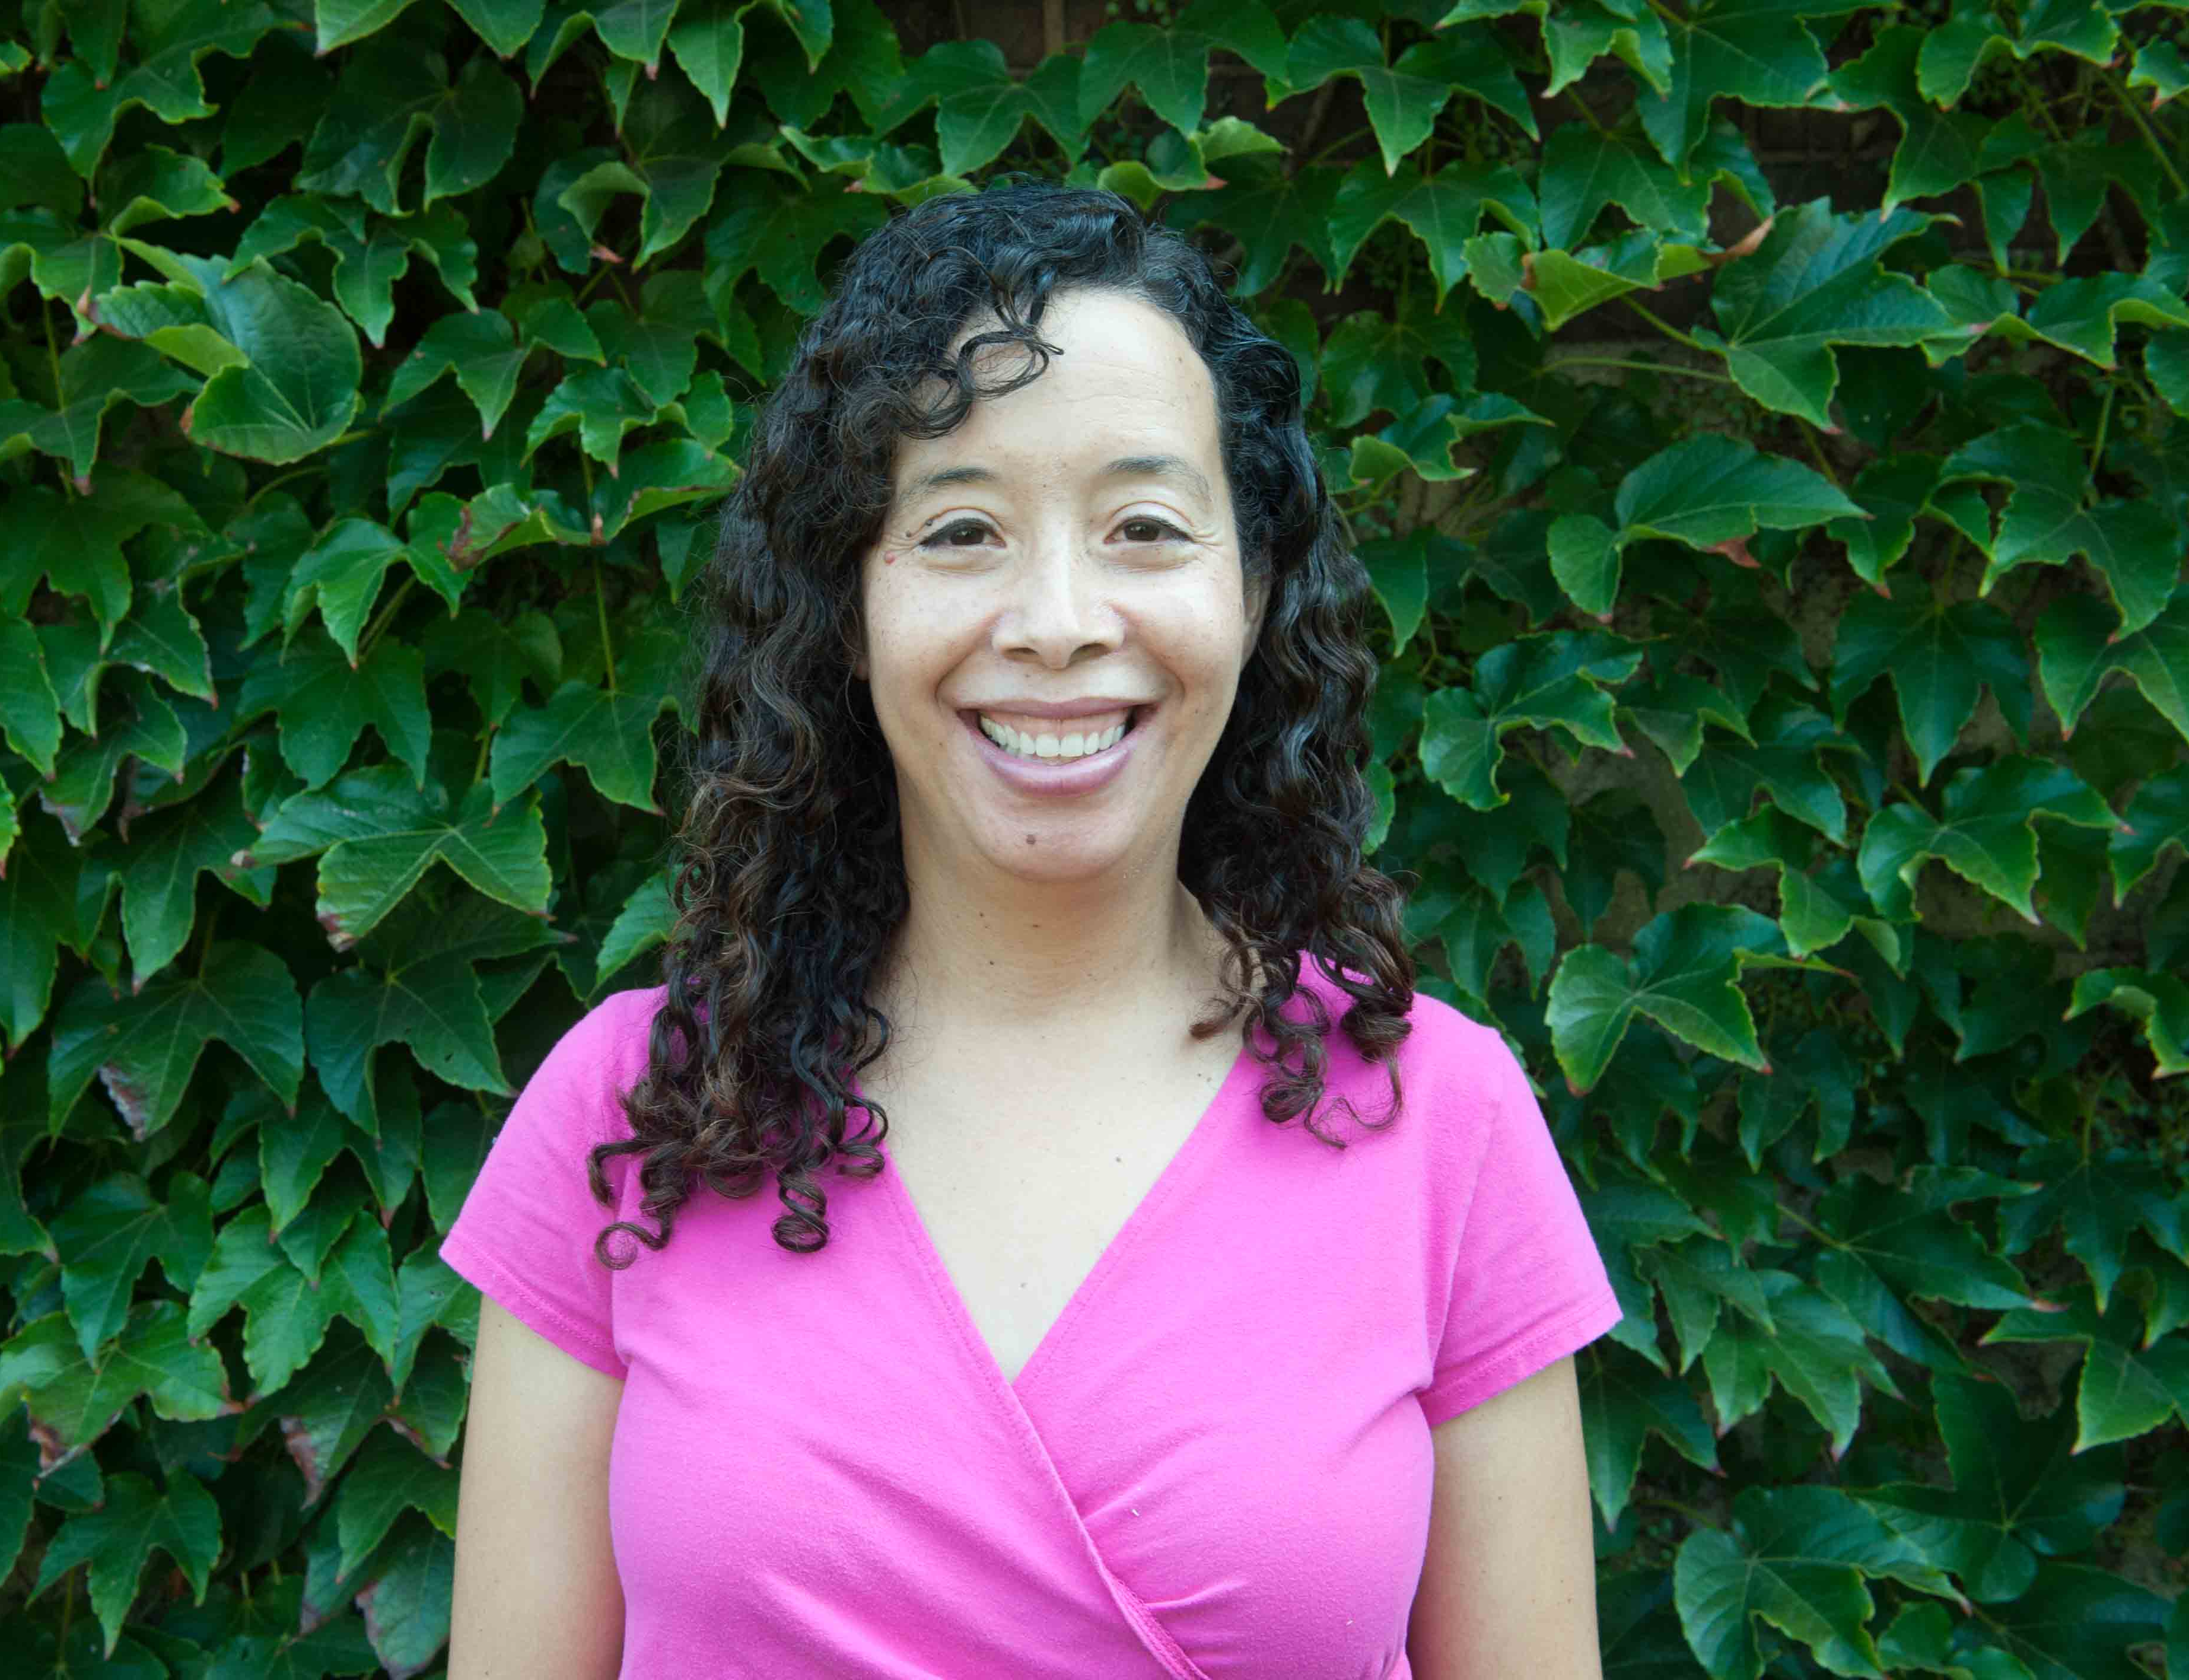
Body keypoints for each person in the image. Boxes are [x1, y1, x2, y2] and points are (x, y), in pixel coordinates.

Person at [443, 180, 1620, 1679]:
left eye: (1140, 525)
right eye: (960, 532)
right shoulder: (634, 1115)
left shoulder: (1438, 1124)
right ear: (847, 607)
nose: (1057, 620)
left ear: (1251, 594)